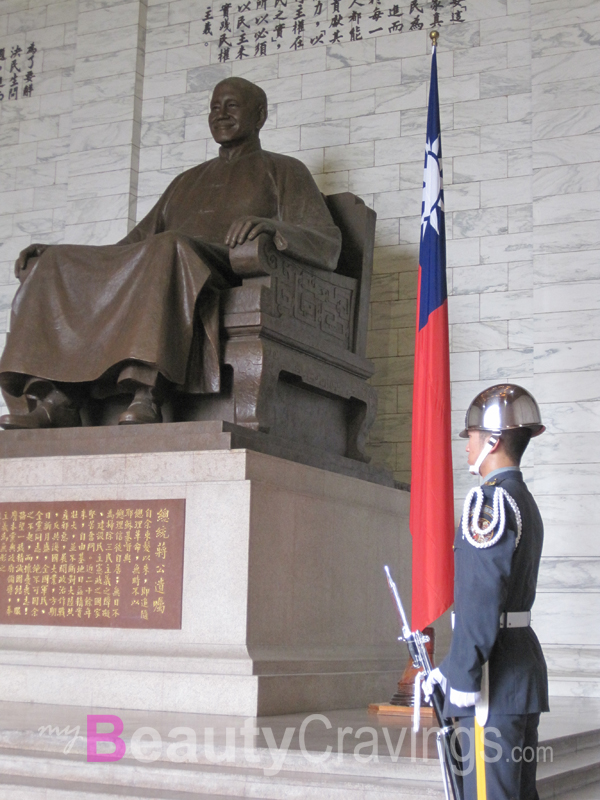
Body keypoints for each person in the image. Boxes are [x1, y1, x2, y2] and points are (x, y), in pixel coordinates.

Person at [0, 77, 341, 429]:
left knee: (168, 247)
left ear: (260, 115)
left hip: (227, 269)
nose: (220, 114)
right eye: (214, 107)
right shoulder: (186, 180)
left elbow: (328, 243)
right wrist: (60, 254)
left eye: (231, 106)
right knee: (56, 263)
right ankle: (59, 400)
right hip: (170, 260)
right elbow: (130, 247)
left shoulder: (283, 170)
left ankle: (147, 394)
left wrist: (272, 227)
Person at [424, 383, 549, 800]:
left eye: (472, 436)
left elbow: (481, 600)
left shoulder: (490, 502)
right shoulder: (523, 500)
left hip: (491, 682)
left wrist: (461, 673)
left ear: (493, 440)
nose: (466, 446)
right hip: (520, 669)